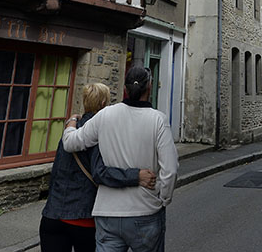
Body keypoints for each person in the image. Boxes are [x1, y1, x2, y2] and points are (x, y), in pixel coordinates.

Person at [62, 66, 178, 252]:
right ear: (149, 87)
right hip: (144, 209)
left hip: (108, 212)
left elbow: (71, 143)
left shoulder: (105, 115)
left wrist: (70, 124)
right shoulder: (158, 120)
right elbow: (170, 169)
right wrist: (163, 198)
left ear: (125, 89)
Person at [41, 82, 157, 252]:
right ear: (103, 104)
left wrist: (72, 119)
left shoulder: (70, 131)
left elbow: (57, 171)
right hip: (84, 218)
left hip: (53, 215)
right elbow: (100, 172)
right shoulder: (99, 133)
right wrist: (136, 176)